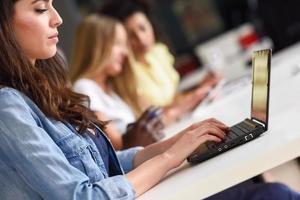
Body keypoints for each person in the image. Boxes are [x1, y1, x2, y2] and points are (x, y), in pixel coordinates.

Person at [0, 0, 299, 199]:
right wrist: (170, 157)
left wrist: (180, 141)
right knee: (272, 195)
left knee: (269, 191)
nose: (58, 18)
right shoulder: (7, 106)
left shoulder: (38, 91)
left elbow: (108, 164)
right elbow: (85, 196)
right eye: (40, 8)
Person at [99, 0, 221, 124]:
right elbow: (147, 117)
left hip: (183, 121)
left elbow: (173, 97)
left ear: (150, 23)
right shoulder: (124, 74)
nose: (141, 39)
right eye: (131, 35)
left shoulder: (159, 52)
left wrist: (201, 86)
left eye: (143, 28)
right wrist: (195, 95)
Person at [70, 14, 164, 150]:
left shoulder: (111, 88)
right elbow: (117, 144)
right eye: (118, 43)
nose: (126, 52)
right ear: (98, 46)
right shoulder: (84, 87)